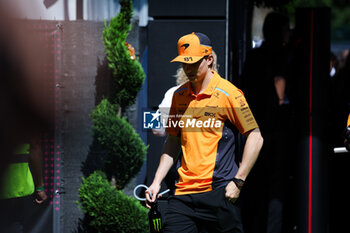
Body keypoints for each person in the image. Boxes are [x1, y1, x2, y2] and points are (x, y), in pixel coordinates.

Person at [145, 32, 263, 233]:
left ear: (209, 60)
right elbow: (172, 141)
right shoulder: (178, 96)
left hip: (219, 192)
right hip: (182, 195)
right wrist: (156, 182)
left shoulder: (229, 94)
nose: (187, 68)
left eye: (193, 63)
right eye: (184, 63)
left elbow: (255, 136)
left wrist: (239, 181)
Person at [240, 12, 293, 233]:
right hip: (275, 132)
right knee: (276, 189)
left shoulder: (254, 57)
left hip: (254, 130)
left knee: (255, 188)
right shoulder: (284, 57)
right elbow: (281, 92)